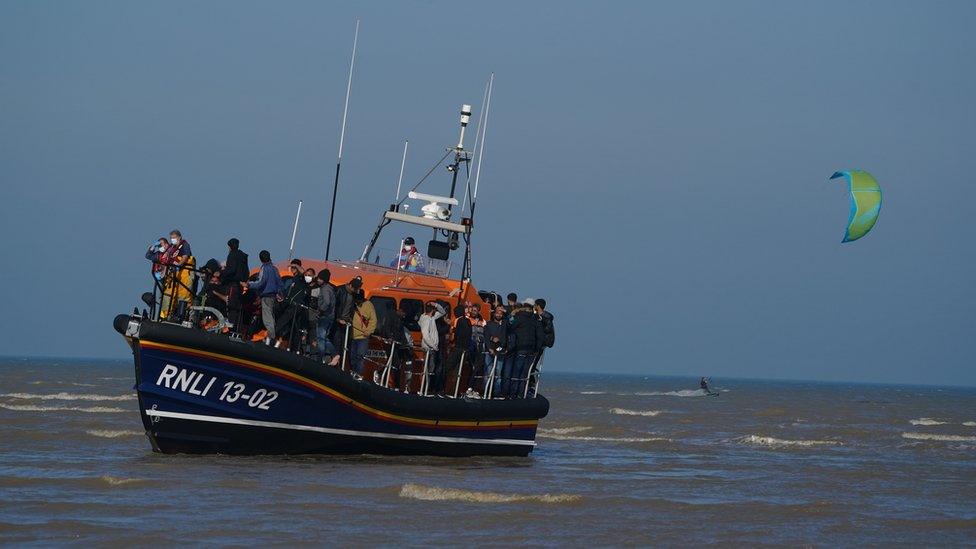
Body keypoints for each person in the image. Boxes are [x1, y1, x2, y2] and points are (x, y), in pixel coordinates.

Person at [503, 300, 545, 399]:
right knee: (525, 374)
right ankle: (521, 394)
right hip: (531, 350)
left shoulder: (518, 318)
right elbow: (540, 336)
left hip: (519, 348)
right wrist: (536, 349)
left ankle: (513, 394)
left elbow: (509, 327)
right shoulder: (535, 320)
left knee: (516, 372)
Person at [246, 250, 283, 345]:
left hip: (266, 296)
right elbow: (280, 283)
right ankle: (272, 338)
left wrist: (248, 284)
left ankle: (271, 339)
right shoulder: (275, 269)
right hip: (274, 297)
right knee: (272, 317)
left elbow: (261, 282)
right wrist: (279, 293)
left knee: (267, 319)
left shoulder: (265, 268)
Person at [159, 230, 195, 320]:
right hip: (172, 274)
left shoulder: (185, 245)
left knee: (184, 296)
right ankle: (164, 316)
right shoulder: (171, 247)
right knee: (167, 295)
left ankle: (183, 317)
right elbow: (166, 258)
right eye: (171, 238)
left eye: (174, 237)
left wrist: (179, 265)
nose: (172, 239)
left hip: (184, 274)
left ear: (179, 237)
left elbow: (185, 257)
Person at [276, 263, 310, 350]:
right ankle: (281, 342)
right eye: (292, 268)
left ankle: (271, 337)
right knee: (290, 326)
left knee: (282, 322)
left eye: (294, 268)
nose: (292, 269)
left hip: (296, 306)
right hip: (288, 304)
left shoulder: (302, 279)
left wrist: (294, 264)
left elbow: (303, 272)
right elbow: (288, 292)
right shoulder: (293, 280)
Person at [220, 238, 249, 333]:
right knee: (238, 307)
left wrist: (221, 273)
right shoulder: (243, 256)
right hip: (240, 285)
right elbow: (246, 272)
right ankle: (237, 329)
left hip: (233, 284)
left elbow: (231, 270)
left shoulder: (232, 255)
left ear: (230, 246)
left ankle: (231, 328)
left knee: (232, 306)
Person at [312, 269, 339, 366]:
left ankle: (321, 358)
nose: (318, 280)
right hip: (329, 317)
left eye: (319, 279)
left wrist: (321, 310)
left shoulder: (325, 289)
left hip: (325, 317)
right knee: (323, 338)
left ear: (324, 279)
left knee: (321, 338)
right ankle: (334, 355)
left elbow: (327, 302)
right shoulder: (329, 288)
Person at [333, 277, 362, 367]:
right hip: (337, 321)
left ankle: (340, 364)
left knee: (343, 344)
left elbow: (351, 308)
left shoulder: (353, 295)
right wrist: (337, 319)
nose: (355, 291)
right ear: (350, 286)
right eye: (355, 289)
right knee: (337, 341)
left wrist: (349, 319)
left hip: (346, 322)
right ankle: (335, 360)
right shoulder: (339, 291)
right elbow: (334, 307)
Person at [418, 302, 445, 395]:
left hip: (432, 348)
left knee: (430, 369)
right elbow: (425, 335)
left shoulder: (431, 318)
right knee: (429, 370)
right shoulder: (426, 319)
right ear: (433, 310)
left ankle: (427, 388)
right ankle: (426, 389)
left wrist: (436, 304)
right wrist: (434, 346)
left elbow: (443, 312)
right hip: (429, 349)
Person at [350, 290, 377, 378]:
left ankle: (359, 375)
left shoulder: (369, 304)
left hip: (363, 337)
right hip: (352, 335)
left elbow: (373, 320)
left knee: (360, 357)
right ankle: (352, 373)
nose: (358, 301)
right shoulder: (352, 304)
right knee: (352, 357)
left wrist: (368, 331)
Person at [446, 305, 472, 397]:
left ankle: (444, 389)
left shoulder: (458, 320)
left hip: (457, 348)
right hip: (465, 349)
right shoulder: (468, 321)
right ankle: (454, 391)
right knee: (458, 371)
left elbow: (453, 335)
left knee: (447, 367)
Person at [482, 305, 508, 397]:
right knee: (488, 372)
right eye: (497, 313)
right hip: (490, 350)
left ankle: (496, 393)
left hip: (499, 350)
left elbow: (504, 339)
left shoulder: (504, 324)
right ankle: (485, 392)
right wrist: (490, 348)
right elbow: (486, 337)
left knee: (498, 373)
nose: (498, 315)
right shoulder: (488, 324)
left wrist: (499, 342)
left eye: (500, 313)